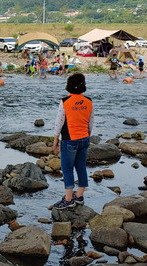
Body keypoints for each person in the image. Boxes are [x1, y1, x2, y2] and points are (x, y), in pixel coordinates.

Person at [52, 73, 94, 210]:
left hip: (70, 140)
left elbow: (59, 121)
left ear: (68, 86)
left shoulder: (65, 101)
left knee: (67, 169)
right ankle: (80, 195)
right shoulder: (89, 101)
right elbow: (90, 122)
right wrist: (87, 135)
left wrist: (55, 138)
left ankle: (69, 199)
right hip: (84, 138)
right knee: (81, 167)